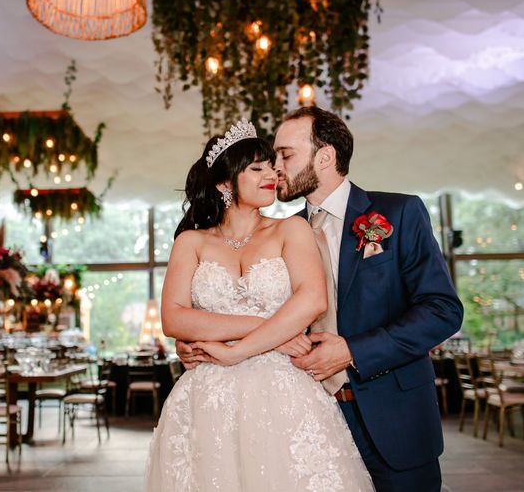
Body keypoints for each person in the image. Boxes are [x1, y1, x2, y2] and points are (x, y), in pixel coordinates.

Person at [185, 106, 463, 491]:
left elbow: (442, 311)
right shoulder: (281, 231)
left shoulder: (398, 213)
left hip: (392, 415)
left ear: (326, 156)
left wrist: (352, 351)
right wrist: (205, 343)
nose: (275, 167)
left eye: (285, 155)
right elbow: (247, 306)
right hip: (302, 420)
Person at [145, 118, 372, 492]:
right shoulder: (191, 242)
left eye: (272, 165)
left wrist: (233, 347)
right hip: (207, 397)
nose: (272, 173)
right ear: (223, 183)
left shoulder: (291, 229)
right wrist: (275, 334)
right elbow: (175, 318)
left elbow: (312, 300)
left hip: (284, 394)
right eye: (257, 168)